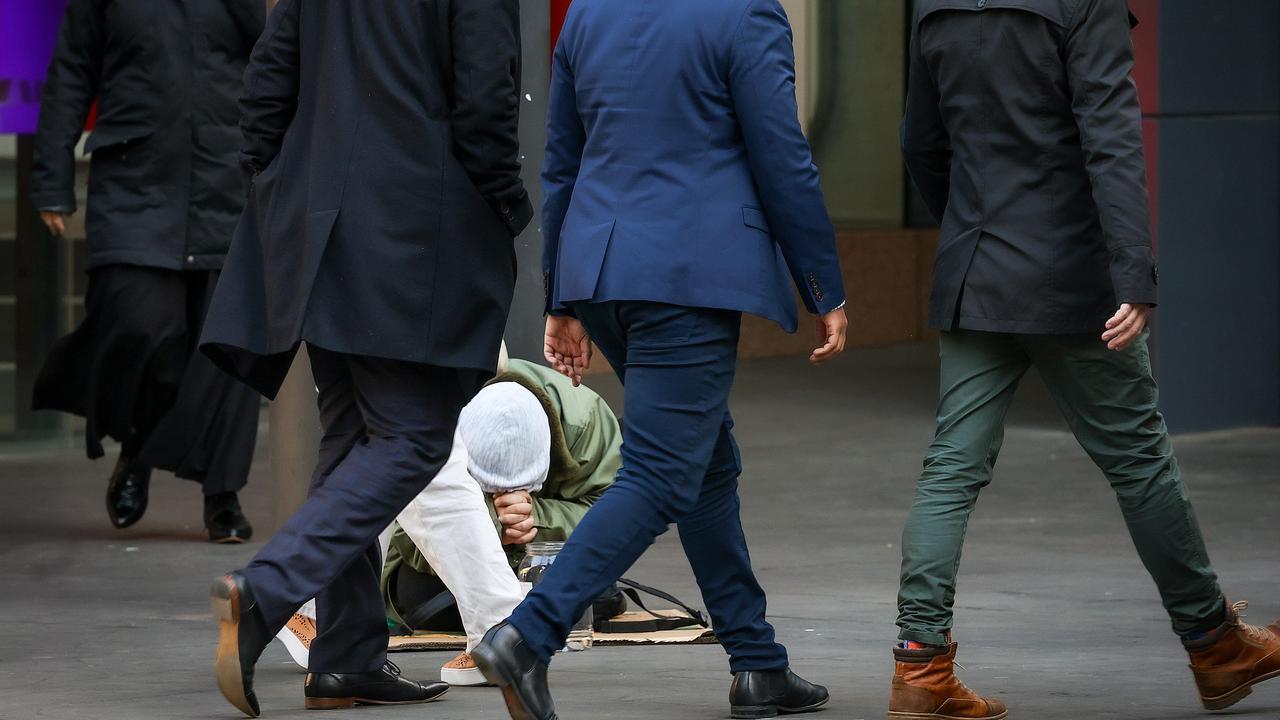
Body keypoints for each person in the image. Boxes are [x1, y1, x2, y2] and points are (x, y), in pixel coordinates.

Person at [889, 2, 1280, 718]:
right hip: (1068, 279)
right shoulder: (1083, 5)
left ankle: (919, 668)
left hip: (975, 272)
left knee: (951, 465)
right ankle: (1215, 645)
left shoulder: (935, 8)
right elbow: (1111, 140)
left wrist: (971, 234)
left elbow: (920, 143)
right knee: (1139, 460)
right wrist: (1134, 274)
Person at [470, 2, 850, 719]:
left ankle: (759, 664)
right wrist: (822, 284)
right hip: (688, 274)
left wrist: (563, 295)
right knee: (660, 475)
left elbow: (563, 158)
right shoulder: (746, 13)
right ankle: (527, 635)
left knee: (705, 463)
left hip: (604, 268)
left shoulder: (589, 11)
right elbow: (781, 153)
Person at [197, 0, 533, 716]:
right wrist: (507, 203)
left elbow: (266, 83)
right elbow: (485, 98)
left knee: (352, 439)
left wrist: (287, 188)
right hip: (413, 232)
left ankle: (345, 656)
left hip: (322, 229)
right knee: (412, 438)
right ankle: (268, 588)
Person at [29, 0, 264, 542]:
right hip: (136, 182)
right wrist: (51, 180)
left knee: (226, 350)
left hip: (226, 185)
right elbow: (71, 71)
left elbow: (275, 63)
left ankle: (221, 496)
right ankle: (138, 444)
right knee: (141, 325)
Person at [382, 355, 620, 685]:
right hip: (449, 574)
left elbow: (613, 517)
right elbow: (409, 537)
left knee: (599, 592)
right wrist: (492, 523)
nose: (506, 495)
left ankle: (505, 623)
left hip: (547, 557)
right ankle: (512, 624)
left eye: (521, 486)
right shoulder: (438, 421)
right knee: (414, 593)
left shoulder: (587, 425)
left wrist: (538, 516)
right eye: (489, 488)